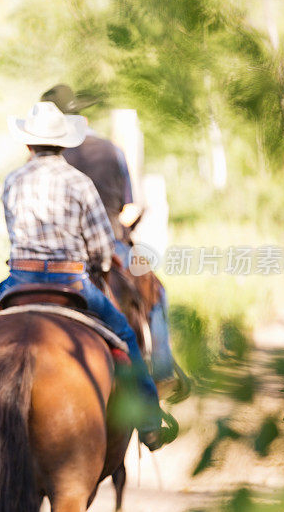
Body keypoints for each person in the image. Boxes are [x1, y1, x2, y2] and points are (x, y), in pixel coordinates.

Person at [0, 102, 170, 462]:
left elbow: (13, 230)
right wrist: (98, 259)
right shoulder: (79, 182)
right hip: (70, 281)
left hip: (19, 279)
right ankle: (150, 420)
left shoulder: (13, 180)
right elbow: (103, 250)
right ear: (63, 144)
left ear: (29, 144)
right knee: (123, 334)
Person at [42, 84, 185, 393]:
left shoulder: (47, 155)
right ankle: (162, 371)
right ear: (82, 118)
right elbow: (129, 207)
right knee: (157, 294)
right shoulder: (110, 150)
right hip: (108, 242)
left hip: (52, 255)